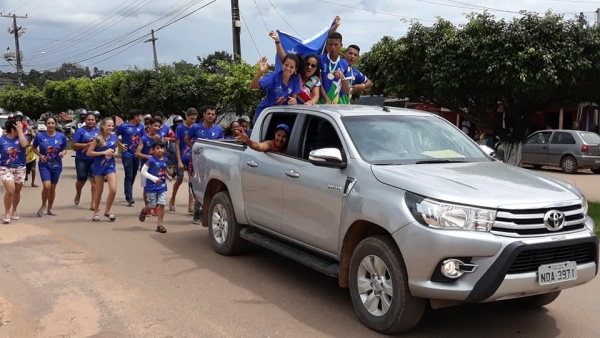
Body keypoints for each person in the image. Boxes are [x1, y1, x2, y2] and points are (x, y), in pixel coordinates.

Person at [270, 31, 322, 105]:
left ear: (316, 68)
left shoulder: (315, 81)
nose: (309, 67)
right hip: (286, 108)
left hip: (304, 111)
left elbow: (316, 97)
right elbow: (285, 59)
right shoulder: (296, 74)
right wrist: (277, 41)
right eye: (307, 64)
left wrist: (311, 102)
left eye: (313, 66)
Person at [32, 117, 68, 217]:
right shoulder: (40, 136)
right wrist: (40, 155)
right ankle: (43, 205)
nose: (51, 125)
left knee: (52, 188)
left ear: (55, 124)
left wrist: (62, 153)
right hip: (44, 165)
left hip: (57, 165)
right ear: (46, 124)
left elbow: (65, 149)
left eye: (52, 123)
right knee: (46, 186)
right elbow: (33, 148)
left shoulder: (61, 136)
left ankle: (50, 208)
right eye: (49, 123)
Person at [250, 56, 302, 123]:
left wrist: (294, 102)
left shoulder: (295, 79)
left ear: (295, 69)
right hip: (265, 114)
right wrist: (261, 72)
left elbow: (293, 99)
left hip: (280, 116)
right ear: (282, 64)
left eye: (292, 67)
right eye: (286, 65)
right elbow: (252, 86)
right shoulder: (273, 76)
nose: (288, 68)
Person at [87, 117, 118, 222]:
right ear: (103, 126)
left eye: (112, 125)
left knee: (113, 189)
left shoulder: (114, 137)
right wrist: (103, 153)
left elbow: (116, 146)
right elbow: (89, 152)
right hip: (99, 167)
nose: (110, 127)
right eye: (108, 125)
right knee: (99, 190)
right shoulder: (97, 139)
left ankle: (108, 211)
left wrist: (116, 152)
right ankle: (96, 212)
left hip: (110, 166)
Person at [138, 140, 171, 234]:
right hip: (152, 187)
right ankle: (144, 210)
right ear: (153, 150)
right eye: (157, 148)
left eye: (161, 148)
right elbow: (143, 172)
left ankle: (159, 225)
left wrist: (167, 175)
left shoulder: (165, 159)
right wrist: (153, 178)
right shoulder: (151, 160)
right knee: (153, 205)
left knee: (162, 204)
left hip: (162, 186)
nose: (160, 150)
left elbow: (163, 169)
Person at [0, 120, 28, 223]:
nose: (22, 129)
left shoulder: (22, 137)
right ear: (12, 129)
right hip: (5, 168)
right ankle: (7, 212)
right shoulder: (2, 140)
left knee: (17, 191)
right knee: (10, 190)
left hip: (20, 168)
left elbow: (24, 145)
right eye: (19, 128)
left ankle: (14, 209)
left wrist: (20, 131)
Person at [170, 108, 197, 213]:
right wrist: (179, 160)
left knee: (192, 181)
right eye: (191, 118)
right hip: (180, 157)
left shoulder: (195, 127)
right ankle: (172, 199)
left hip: (192, 157)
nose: (193, 121)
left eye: (195, 119)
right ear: (186, 116)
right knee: (179, 179)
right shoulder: (180, 128)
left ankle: (191, 206)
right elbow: (176, 145)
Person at [116, 109, 145, 205]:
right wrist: (120, 145)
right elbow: (113, 136)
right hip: (127, 154)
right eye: (140, 116)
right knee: (128, 174)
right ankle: (129, 196)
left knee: (133, 175)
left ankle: (128, 190)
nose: (141, 118)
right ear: (135, 117)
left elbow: (144, 138)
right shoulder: (124, 126)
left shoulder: (141, 127)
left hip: (136, 154)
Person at [136, 117, 164, 217]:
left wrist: (159, 140)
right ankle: (147, 207)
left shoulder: (160, 137)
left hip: (157, 168)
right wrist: (149, 157)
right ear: (150, 126)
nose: (156, 128)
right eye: (155, 126)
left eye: (159, 126)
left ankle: (155, 207)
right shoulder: (143, 138)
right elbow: (137, 153)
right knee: (146, 189)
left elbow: (163, 150)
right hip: (146, 168)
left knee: (158, 187)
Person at [71, 112, 99, 210]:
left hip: (94, 159)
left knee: (94, 181)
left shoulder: (99, 131)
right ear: (85, 121)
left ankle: (93, 203)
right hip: (82, 159)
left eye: (93, 120)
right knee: (81, 180)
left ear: (95, 121)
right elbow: (73, 145)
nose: (91, 121)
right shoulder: (80, 131)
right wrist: (86, 145)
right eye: (89, 120)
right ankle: (78, 193)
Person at [319, 32, 352, 104]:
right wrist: (326, 99)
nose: (333, 47)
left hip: (337, 105)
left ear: (341, 45)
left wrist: (343, 78)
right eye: (330, 44)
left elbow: (346, 91)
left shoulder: (345, 64)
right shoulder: (320, 59)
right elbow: (318, 83)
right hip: (321, 104)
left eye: (336, 44)